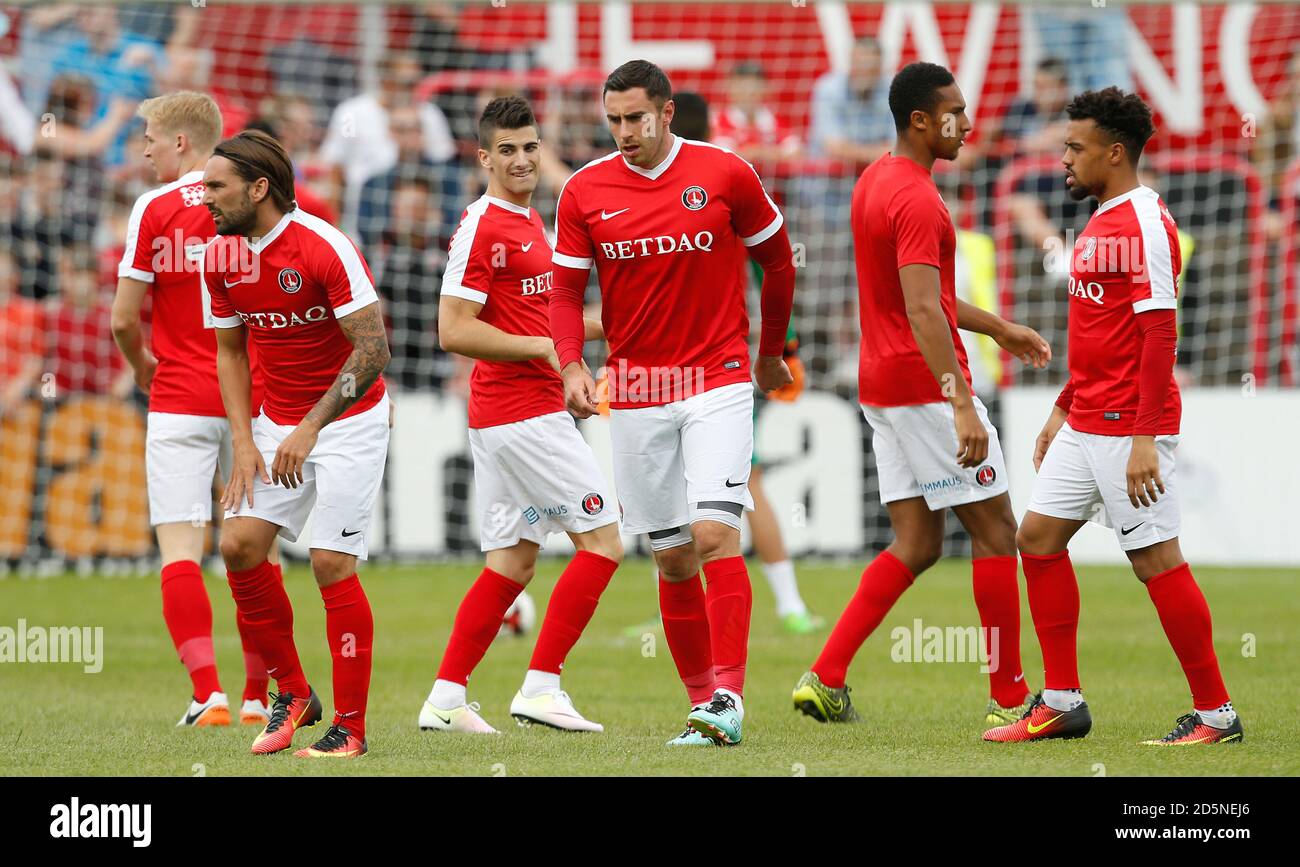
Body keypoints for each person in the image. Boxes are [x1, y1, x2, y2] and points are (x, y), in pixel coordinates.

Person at [790, 62, 1052, 729]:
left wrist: (998, 327)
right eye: (954, 112)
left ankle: (825, 675)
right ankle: (1010, 693)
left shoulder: (875, 181)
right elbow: (922, 310)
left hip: (884, 385)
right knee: (998, 533)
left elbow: (922, 296)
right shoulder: (915, 197)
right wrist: (960, 399)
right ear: (919, 120)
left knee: (916, 542)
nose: (965, 124)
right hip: (924, 384)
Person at [549, 60, 797, 747]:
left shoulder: (725, 172)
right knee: (673, 556)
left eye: (636, 118)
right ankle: (701, 703)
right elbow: (565, 293)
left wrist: (771, 350)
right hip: (634, 390)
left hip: (717, 378)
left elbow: (779, 260)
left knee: (716, 532)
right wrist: (571, 363)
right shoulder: (584, 191)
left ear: (664, 111)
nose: (625, 132)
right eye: (614, 121)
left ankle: (729, 696)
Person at [985, 88, 1242, 746]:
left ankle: (1217, 713)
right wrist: (1063, 405)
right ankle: (1063, 701)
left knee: (1156, 561)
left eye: (1075, 148)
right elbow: (1102, 332)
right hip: (1086, 417)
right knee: (1036, 539)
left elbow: (1159, 337)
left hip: (1131, 424)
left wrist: (1145, 437)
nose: (1063, 158)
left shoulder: (1146, 224)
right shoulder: (1100, 217)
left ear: (1116, 152)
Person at [418, 96, 623, 735]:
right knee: (605, 542)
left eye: (530, 147)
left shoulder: (530, 222)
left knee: (512, 562)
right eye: (506, 150)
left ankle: (446, 701)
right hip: (523, 415)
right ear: (483, 157)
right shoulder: (482, 226)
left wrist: (615, 327)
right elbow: (452, 330)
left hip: (510, 418)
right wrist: (544, 350)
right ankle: (541, 687)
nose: (521, 159)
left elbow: (547, 321)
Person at [203, 129, 391, 758]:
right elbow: (230, 351)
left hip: (348, 422)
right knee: (238, 545)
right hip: (275, 423)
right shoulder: (219, 255)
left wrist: (311, 427)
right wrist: (245, 439)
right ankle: (294, 692)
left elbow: (374, 349)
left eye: (215, 188)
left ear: (259, 189)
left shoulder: (323, 246)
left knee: (330, 563)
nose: (204, 200)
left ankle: (352, 730)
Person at [112, 92, 274, 729]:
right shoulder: (255, 200)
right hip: (253, 399)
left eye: (150, 136)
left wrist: (144, 367)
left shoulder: (153, 208)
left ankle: (208, 694)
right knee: (254, 551)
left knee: (181, 548)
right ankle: (263, 696)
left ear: (181, 142)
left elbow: (125, 317)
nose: (145, 148)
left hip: (178, 395)